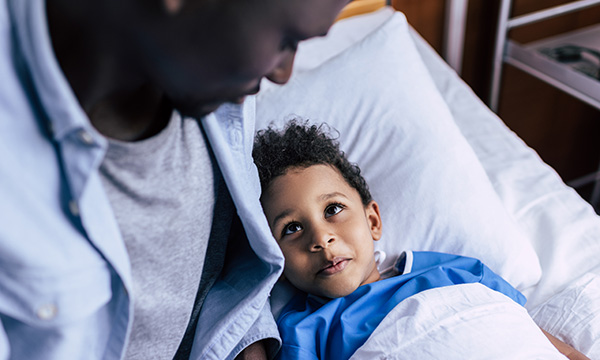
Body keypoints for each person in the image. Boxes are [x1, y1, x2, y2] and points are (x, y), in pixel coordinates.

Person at [0, 0, 350, 359]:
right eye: (287, 40)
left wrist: (249, 339)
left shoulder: (213, 79)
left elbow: (229, 254)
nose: (283, 74)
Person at [252, 120, 590, 360]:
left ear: (372, 221)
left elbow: (531, 336)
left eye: (334, 209)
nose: (321, 238)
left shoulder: (453, 271)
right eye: (292, 229)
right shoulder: (304, 330)